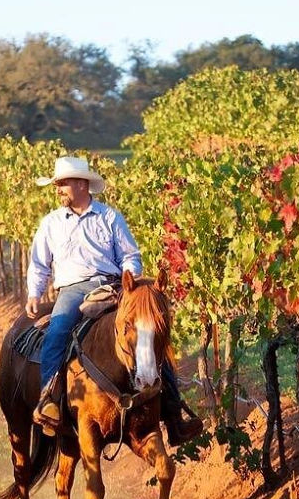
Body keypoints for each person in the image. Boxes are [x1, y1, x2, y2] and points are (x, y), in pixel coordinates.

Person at [25, 156, 204, 445]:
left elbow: (130, 255)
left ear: (82, 185)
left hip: (112, 286)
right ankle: (49, 400)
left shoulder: (109, 217)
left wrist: (130, 281)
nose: (58, 189)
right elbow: (39, 264)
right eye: (57, 184)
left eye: (63, 183)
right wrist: (34, 293)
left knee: (149, 332)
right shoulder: (51, 223)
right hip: (72, 289)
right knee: (57, 331)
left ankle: (174, 414)